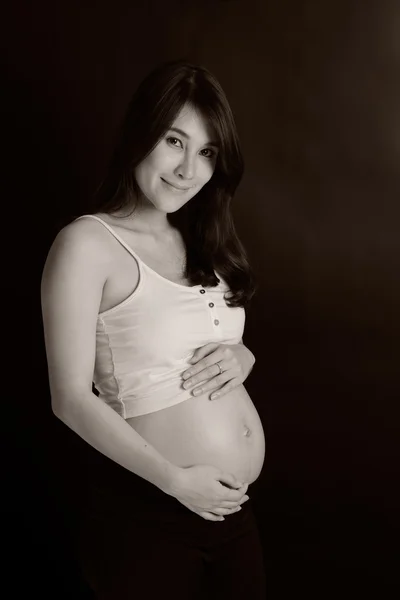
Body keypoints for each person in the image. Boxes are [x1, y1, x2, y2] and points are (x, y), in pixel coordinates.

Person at [41, 59, 266, 599]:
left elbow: (212, 343)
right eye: (174, 141)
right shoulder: (88, 244)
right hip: (150, 512)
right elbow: (69, 398)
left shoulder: (201, 243)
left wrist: (243, 358)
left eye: (207, 152)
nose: (189, 169)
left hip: (230, 513)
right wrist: (176, 481)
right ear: (141, 133)